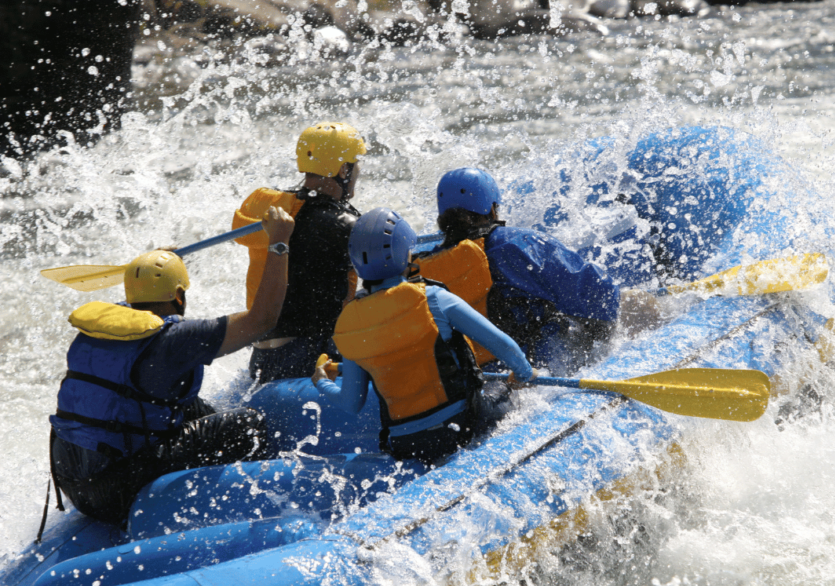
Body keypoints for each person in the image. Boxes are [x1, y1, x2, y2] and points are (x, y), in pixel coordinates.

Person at [47, 207, 295, 527]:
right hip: (114, 492)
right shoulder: (175, 341)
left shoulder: (103, 324)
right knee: (248, 424)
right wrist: (279, 243)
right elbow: (262, 320)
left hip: (72, 481)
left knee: (191, 406)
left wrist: (153, 265)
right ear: (179, 297)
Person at [312, 208, 535, 464]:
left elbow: (352, 403)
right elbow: (503, 346)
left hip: (406, 444)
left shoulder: (348, 324)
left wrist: (321, 381)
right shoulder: (433, 298)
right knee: (505, 388)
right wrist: (524, 375)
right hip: (461, 426)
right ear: (400, 255)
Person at [414, 167, 621, 373]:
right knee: (634, 304)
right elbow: (599, 296)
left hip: (478, 379)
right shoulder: (517, 244)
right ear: (492, 210)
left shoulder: (424, 270)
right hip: (536, 370)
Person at [232, 122, 366, 383]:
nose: (359, 170)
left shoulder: (280, 209)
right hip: (307, 357)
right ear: (343, 169)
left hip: (261, 358)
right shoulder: (343, 225)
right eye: (356, 163)